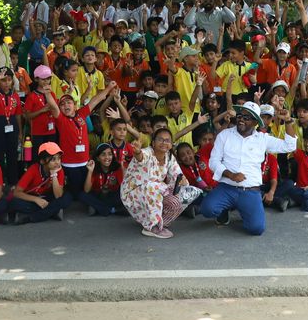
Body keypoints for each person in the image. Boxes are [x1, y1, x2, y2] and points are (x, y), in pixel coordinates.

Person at [197, 102, 298, 235]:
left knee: (256, 229)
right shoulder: (224, 135)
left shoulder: (263, 139)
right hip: (226, 188)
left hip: (250, 190)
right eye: (239, 116)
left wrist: (288, 121)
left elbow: (289, 146)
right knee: (207, 209)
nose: (241, 120)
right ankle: (224, 210)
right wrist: (231, 175)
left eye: (246, 118)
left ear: (255, 122)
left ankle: (245, 209)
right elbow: (213, 162)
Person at [122, 127, 200, 238]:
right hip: (133, 193)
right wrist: (137, 151)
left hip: (155, 192)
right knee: (153, 186)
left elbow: (177, 175)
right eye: (160, 139)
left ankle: (162, 221)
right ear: (153, 142)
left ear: (171, 145)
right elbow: (141, 157)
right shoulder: (148, 152)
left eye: (167, 140)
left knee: (189, 192)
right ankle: (152, 227)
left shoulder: (169, 157)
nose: (164, 143)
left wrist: (182, 181)